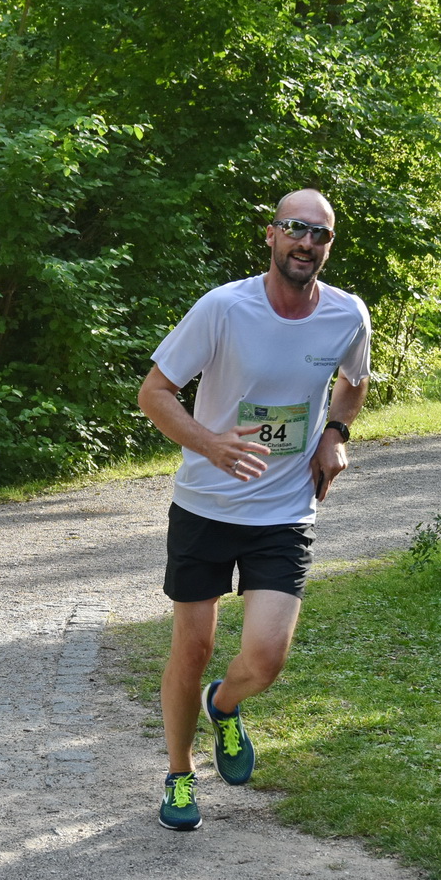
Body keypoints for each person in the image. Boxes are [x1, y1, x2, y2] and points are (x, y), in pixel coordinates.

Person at [136, 188, 372, 831]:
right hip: (206, 506)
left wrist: (335, 434)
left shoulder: (347, 314)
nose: (306, 242)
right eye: (295, 228)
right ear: (271, 235)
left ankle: (224, 704)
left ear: (329, 245)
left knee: (266, 658)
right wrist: (209, 443)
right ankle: (179, 775)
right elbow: (154, 392)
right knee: (193, 647)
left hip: (285, 511)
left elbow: (353, 382)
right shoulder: (223, 308)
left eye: (320, 234)